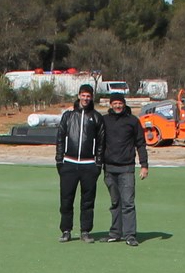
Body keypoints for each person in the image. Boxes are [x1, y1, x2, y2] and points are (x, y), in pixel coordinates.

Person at [97, 91, 149, 246]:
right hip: (109, 168)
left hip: (127, 169)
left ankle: (130, 235)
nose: (117, 106)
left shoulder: (133, 121)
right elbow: (97, 142)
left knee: (128, 203)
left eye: (120, 103)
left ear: (124, 104)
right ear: (111, 105)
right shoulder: (104, 120)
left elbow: (141, 144)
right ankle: (115, 233)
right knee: (115, 202)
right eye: (115, 103)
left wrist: (144, 165)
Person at [53, 84, 101, 242]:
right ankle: (66, 230)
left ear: (91, 97)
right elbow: (60, 139)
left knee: (88, 200)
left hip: (89, 165)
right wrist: (60, 160)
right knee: (66, 199)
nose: (86, 98)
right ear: (79, 96)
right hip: (69, 163)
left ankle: (85, 231)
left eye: (88, 96)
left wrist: (98, 164)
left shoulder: (96, 117)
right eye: (83, 95)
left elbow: (101, 143)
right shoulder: (68, 116)